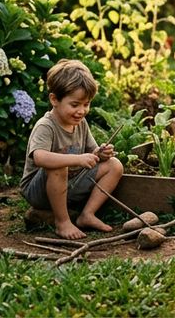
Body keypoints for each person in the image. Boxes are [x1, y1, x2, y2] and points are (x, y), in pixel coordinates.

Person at [20, 59, 123, 239]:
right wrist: (77, 159)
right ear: (54, 99)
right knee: (59, 164)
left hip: (70, 184)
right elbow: (40, 158)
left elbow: (92, 153)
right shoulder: (46, 126)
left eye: (86, 104)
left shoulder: (80, 123)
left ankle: (87, 214)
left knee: (114, 165)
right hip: (40, 192)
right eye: (75, 105)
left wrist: (102, 153)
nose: (81, 111)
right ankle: (62, 222)